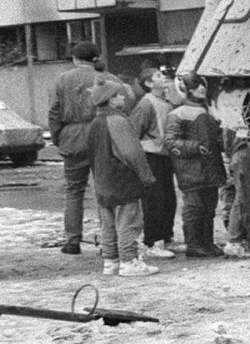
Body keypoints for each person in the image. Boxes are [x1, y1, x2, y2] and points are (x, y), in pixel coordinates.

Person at [46, 42, 113, 255]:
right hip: (101, 134)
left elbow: (54, 112)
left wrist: (59, 137)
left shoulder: (62, 79)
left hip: (72, 137)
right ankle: (108, 241)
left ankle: (72, 240)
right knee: (103, 189)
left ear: (75, 59)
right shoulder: (107, 78)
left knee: (74, 190)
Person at [85, 82, 158, 277]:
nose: (124, 98)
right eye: (120, 95)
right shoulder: (117, 120)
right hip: (122, 180)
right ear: (111, 98)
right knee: (128, 221)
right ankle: (129, 261)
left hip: (103, 180)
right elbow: (132, 153)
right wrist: (146, 177)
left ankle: (111, 261)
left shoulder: (95, 122)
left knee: (108, 224)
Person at [163, 74, 227, 258]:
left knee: (209, 207)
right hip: (191, 169)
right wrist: (196, 147)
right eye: (196, 85)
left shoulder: (205, 111)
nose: (201, 88)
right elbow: (171, 142)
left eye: (202, 85)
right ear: (187, 89)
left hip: (208, 167)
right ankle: (194, 244)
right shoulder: (178, 114)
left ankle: (206, 243)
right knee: (194, 207)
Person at [128, 68, 178, 258]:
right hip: (152, 156)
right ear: (148, 83)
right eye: (158, 76)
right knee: (154, 200)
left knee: (168, 199)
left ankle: (166, 237)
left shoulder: (166, 101)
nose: (163, 78)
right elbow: (135, 132)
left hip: (165, 156)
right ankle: (152, 241)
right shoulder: (146, 104)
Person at [219, 126, 250, 257]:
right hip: (243, 155)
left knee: (237, 197)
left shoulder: (229, 124)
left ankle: (235, 240)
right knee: (242, 198)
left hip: (236, 156)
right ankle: (234, 241)